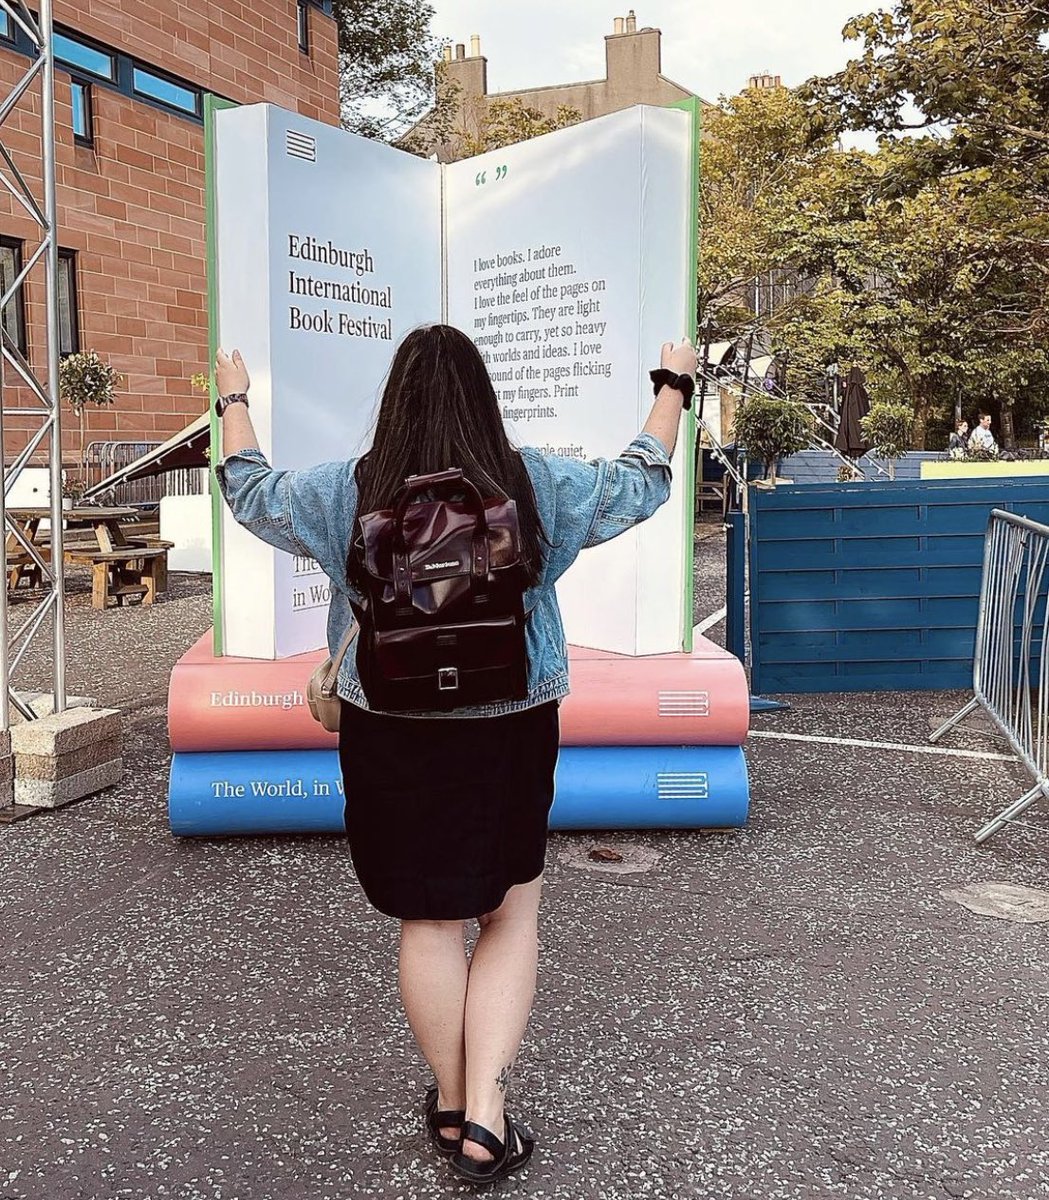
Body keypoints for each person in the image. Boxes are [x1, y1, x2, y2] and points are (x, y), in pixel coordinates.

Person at [214, 324, 697, 1185]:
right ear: (484, 397)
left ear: (393, 399)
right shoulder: (535, 483)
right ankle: (486, 1116)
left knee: (428, 920)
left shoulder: (345, 491)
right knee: (509, 911)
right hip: (509, 718)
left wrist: (234, 400)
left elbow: (250, 493)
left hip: (390, 724)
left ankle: (445, 1102)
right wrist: (672, 383)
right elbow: (643, 481)